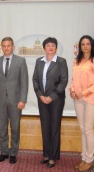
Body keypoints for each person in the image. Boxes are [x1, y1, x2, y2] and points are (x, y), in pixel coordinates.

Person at [0, 37, 28, 164]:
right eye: (4, 46)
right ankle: (4, 151)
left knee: (15, 127)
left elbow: (24, 83)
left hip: (16, 101)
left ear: (13, 47)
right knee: (2, 127)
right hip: (0, 100)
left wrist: (22, 100)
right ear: (1, 47)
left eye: (8, 46)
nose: (6, 48)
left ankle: (13, 152)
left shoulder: (21, 61)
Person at [69, 35, 94, 171]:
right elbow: (73, 80)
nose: (85, 46)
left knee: (88, 129)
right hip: (78, 99)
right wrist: (72, 90)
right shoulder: (76, 61)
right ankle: (84, 157)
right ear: (80, 46)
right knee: (82, 129)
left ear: (91, 45)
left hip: (90, 99)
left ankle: (90, 159)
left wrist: (83, 92)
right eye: (83, 44)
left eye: (87, 44)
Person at [32, 37, 68, 168]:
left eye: (53, 45)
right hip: (42, 99)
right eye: (48, 45)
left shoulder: (61, 62)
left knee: (54, 127)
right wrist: (40, 95)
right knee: (45, 126)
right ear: (44, 48)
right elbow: (35, 80)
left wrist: (51, 96)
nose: (51, 47)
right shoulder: (39, 61)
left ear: (56, 48)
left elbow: (63, 81)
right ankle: (46, 154)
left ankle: (53, 156)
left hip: (56, 100)